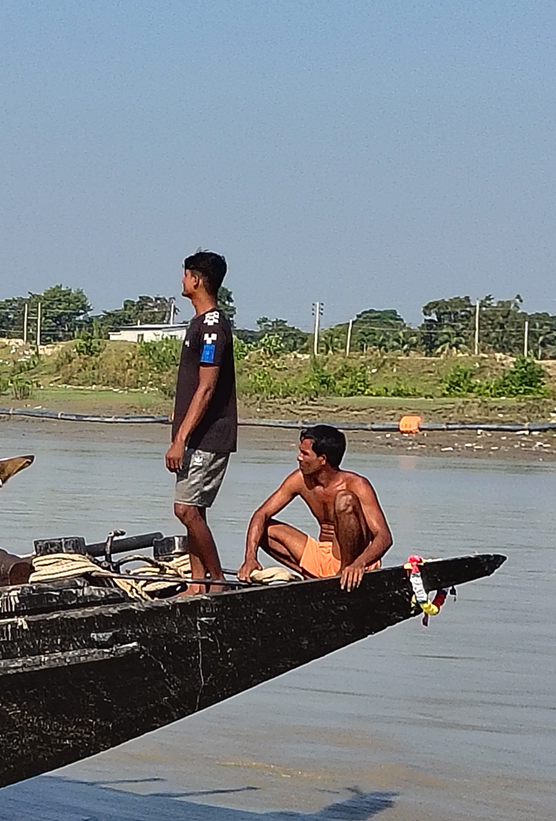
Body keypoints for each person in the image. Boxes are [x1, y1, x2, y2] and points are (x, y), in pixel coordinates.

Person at [241, 425, 393, 591]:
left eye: (305, 454)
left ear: (322, 459)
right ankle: (313, 578)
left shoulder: (357, 484)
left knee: (345, 499)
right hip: (321, 556)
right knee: (263, 527)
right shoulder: (299, 479)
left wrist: (359, 564)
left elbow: (384, 537)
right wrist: (250, 558)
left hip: (356, 562)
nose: (298, 458)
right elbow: (261, 514)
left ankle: (345, 576)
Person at [166, 250, 237, 594]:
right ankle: (197, 582)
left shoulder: (211, 327)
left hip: (208, 437)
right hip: (195, 434)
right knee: (194, 511)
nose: (181, 280)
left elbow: (207, 387)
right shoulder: (198, 324)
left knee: (186, 510)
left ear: (196, 279)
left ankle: (217, 579)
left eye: (185, 275)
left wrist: (181, 438)